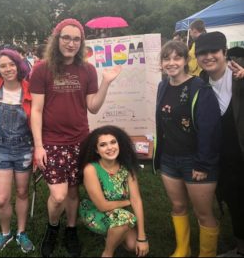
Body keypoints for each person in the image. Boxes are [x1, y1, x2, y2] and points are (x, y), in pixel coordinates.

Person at [29, 18, 121, 257]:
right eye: (66, 37)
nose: (71, 43)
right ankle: (52, 227)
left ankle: (70, 230)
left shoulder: (87, 69)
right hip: (52, 142)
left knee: (72, 191)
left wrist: (106, 83)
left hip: (80, 140)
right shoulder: (41, 69)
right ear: (57, 39)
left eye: (76, 39)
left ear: (81, 43)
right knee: (58, 195)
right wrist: (38, 147)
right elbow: (36, 110)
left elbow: (93, 107)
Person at [154, 40, 221, 257]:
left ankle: (206, 254)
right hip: (169, 161)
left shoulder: (199, 88)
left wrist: (202, 163)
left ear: (186, 61)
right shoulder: (162, 86)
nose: (171, 63)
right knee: (178, 207)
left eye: (177, 58)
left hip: (197, 161)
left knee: (203, 214)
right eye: (166, 58)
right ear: (162, 62)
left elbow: (209, 130)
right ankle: (183, 249)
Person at [196, 32, 244, 257]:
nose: (208, 57)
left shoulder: (239, 74)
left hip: (241, 150)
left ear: (225, 52)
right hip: (222, 155)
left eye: (213, 51)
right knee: (234, 199)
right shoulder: (201, 83)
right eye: (202, 53)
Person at [0, 49, 35, 254]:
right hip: (0, 147)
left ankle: (21, 232)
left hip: (24, 148)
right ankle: (5, 233)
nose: (7, 69)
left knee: (22, 192)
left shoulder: (30, 90)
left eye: (11, 64)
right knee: (2, 198)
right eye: (2, 66)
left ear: (18, 65)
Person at [79, 125, 149, 257]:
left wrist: (142, 237)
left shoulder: (127, 167)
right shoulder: (91, 169)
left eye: (113, 142)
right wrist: (128, 202)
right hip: (95, 212)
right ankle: (107, 253)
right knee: (124, 219)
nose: (110, 147)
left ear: (119, 144)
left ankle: (113, 234)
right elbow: (102, 206)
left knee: (132, 245)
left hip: (118, 212)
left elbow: (137, 201)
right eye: (103, 145)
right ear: (97, 150)